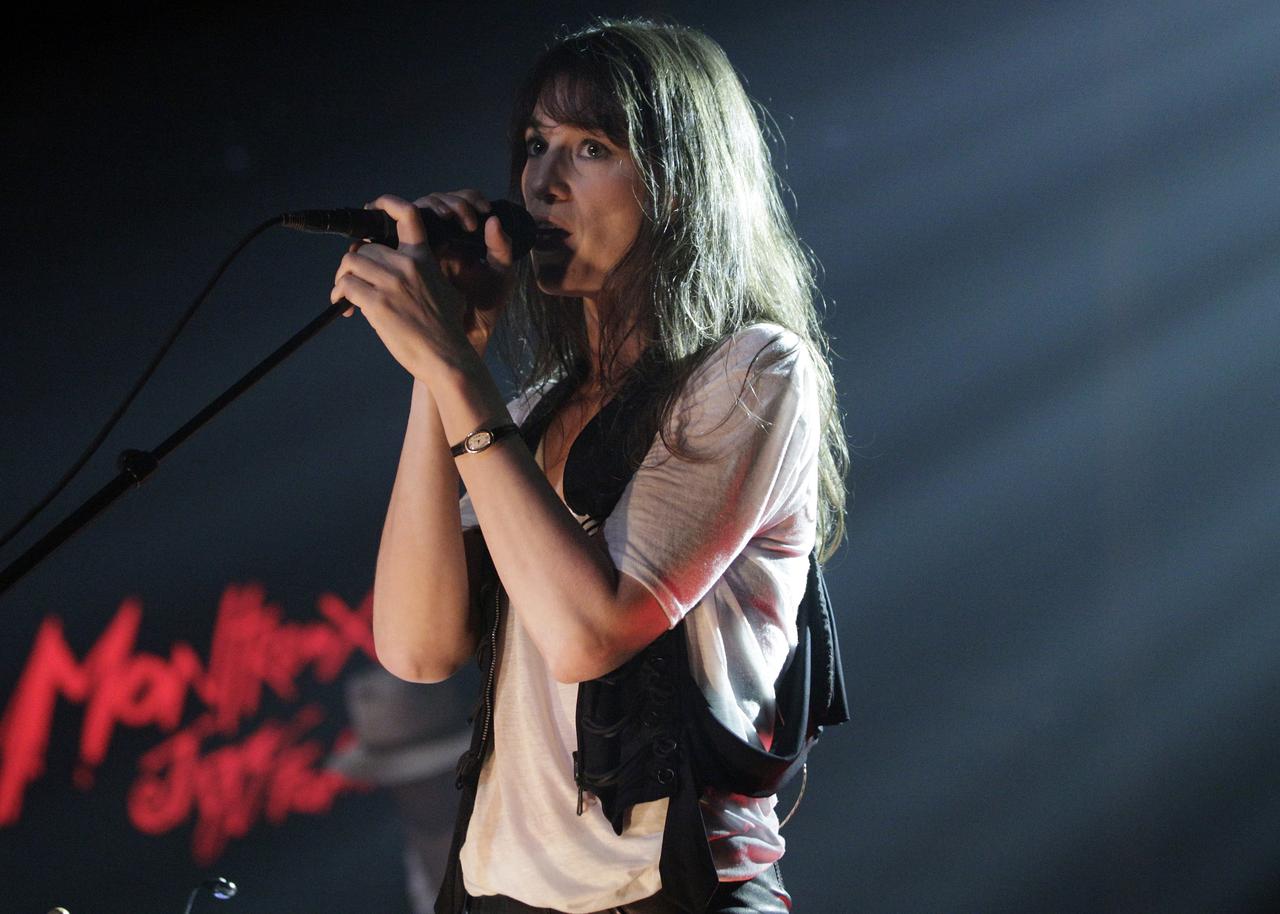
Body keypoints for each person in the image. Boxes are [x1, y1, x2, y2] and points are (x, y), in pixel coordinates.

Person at [329, 18, 848, 914]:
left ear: (678, 185)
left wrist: (456, 370)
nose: (541, 182)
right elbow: (416, 648)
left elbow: (588, 633)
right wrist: (441, 368)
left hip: (665, 889)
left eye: (590, 147)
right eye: (536, 145)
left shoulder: (754, 372)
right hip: (498, 893)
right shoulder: (528, 414)